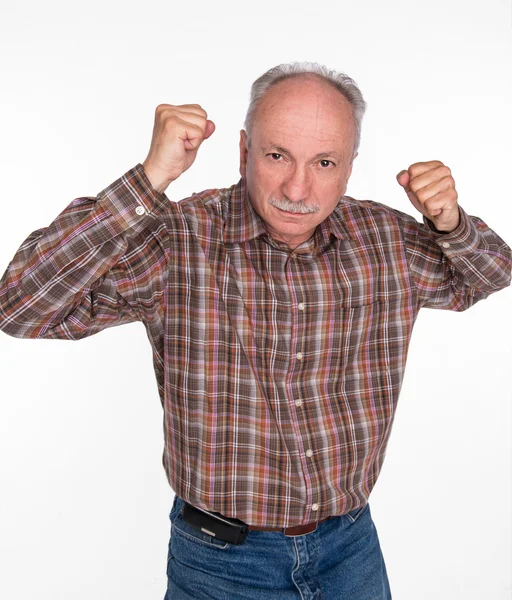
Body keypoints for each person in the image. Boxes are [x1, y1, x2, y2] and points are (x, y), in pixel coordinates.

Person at [0, 62, 510, 600]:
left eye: (325, 162)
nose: (298, 186)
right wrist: (149, 179)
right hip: (220, 565)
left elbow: (487, 275)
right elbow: (20, 305)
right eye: (276, 156)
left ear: (350, 166)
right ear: (243, 151)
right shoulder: (179, 241)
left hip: (351, 552)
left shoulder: (384, 240)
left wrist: (450, 222)